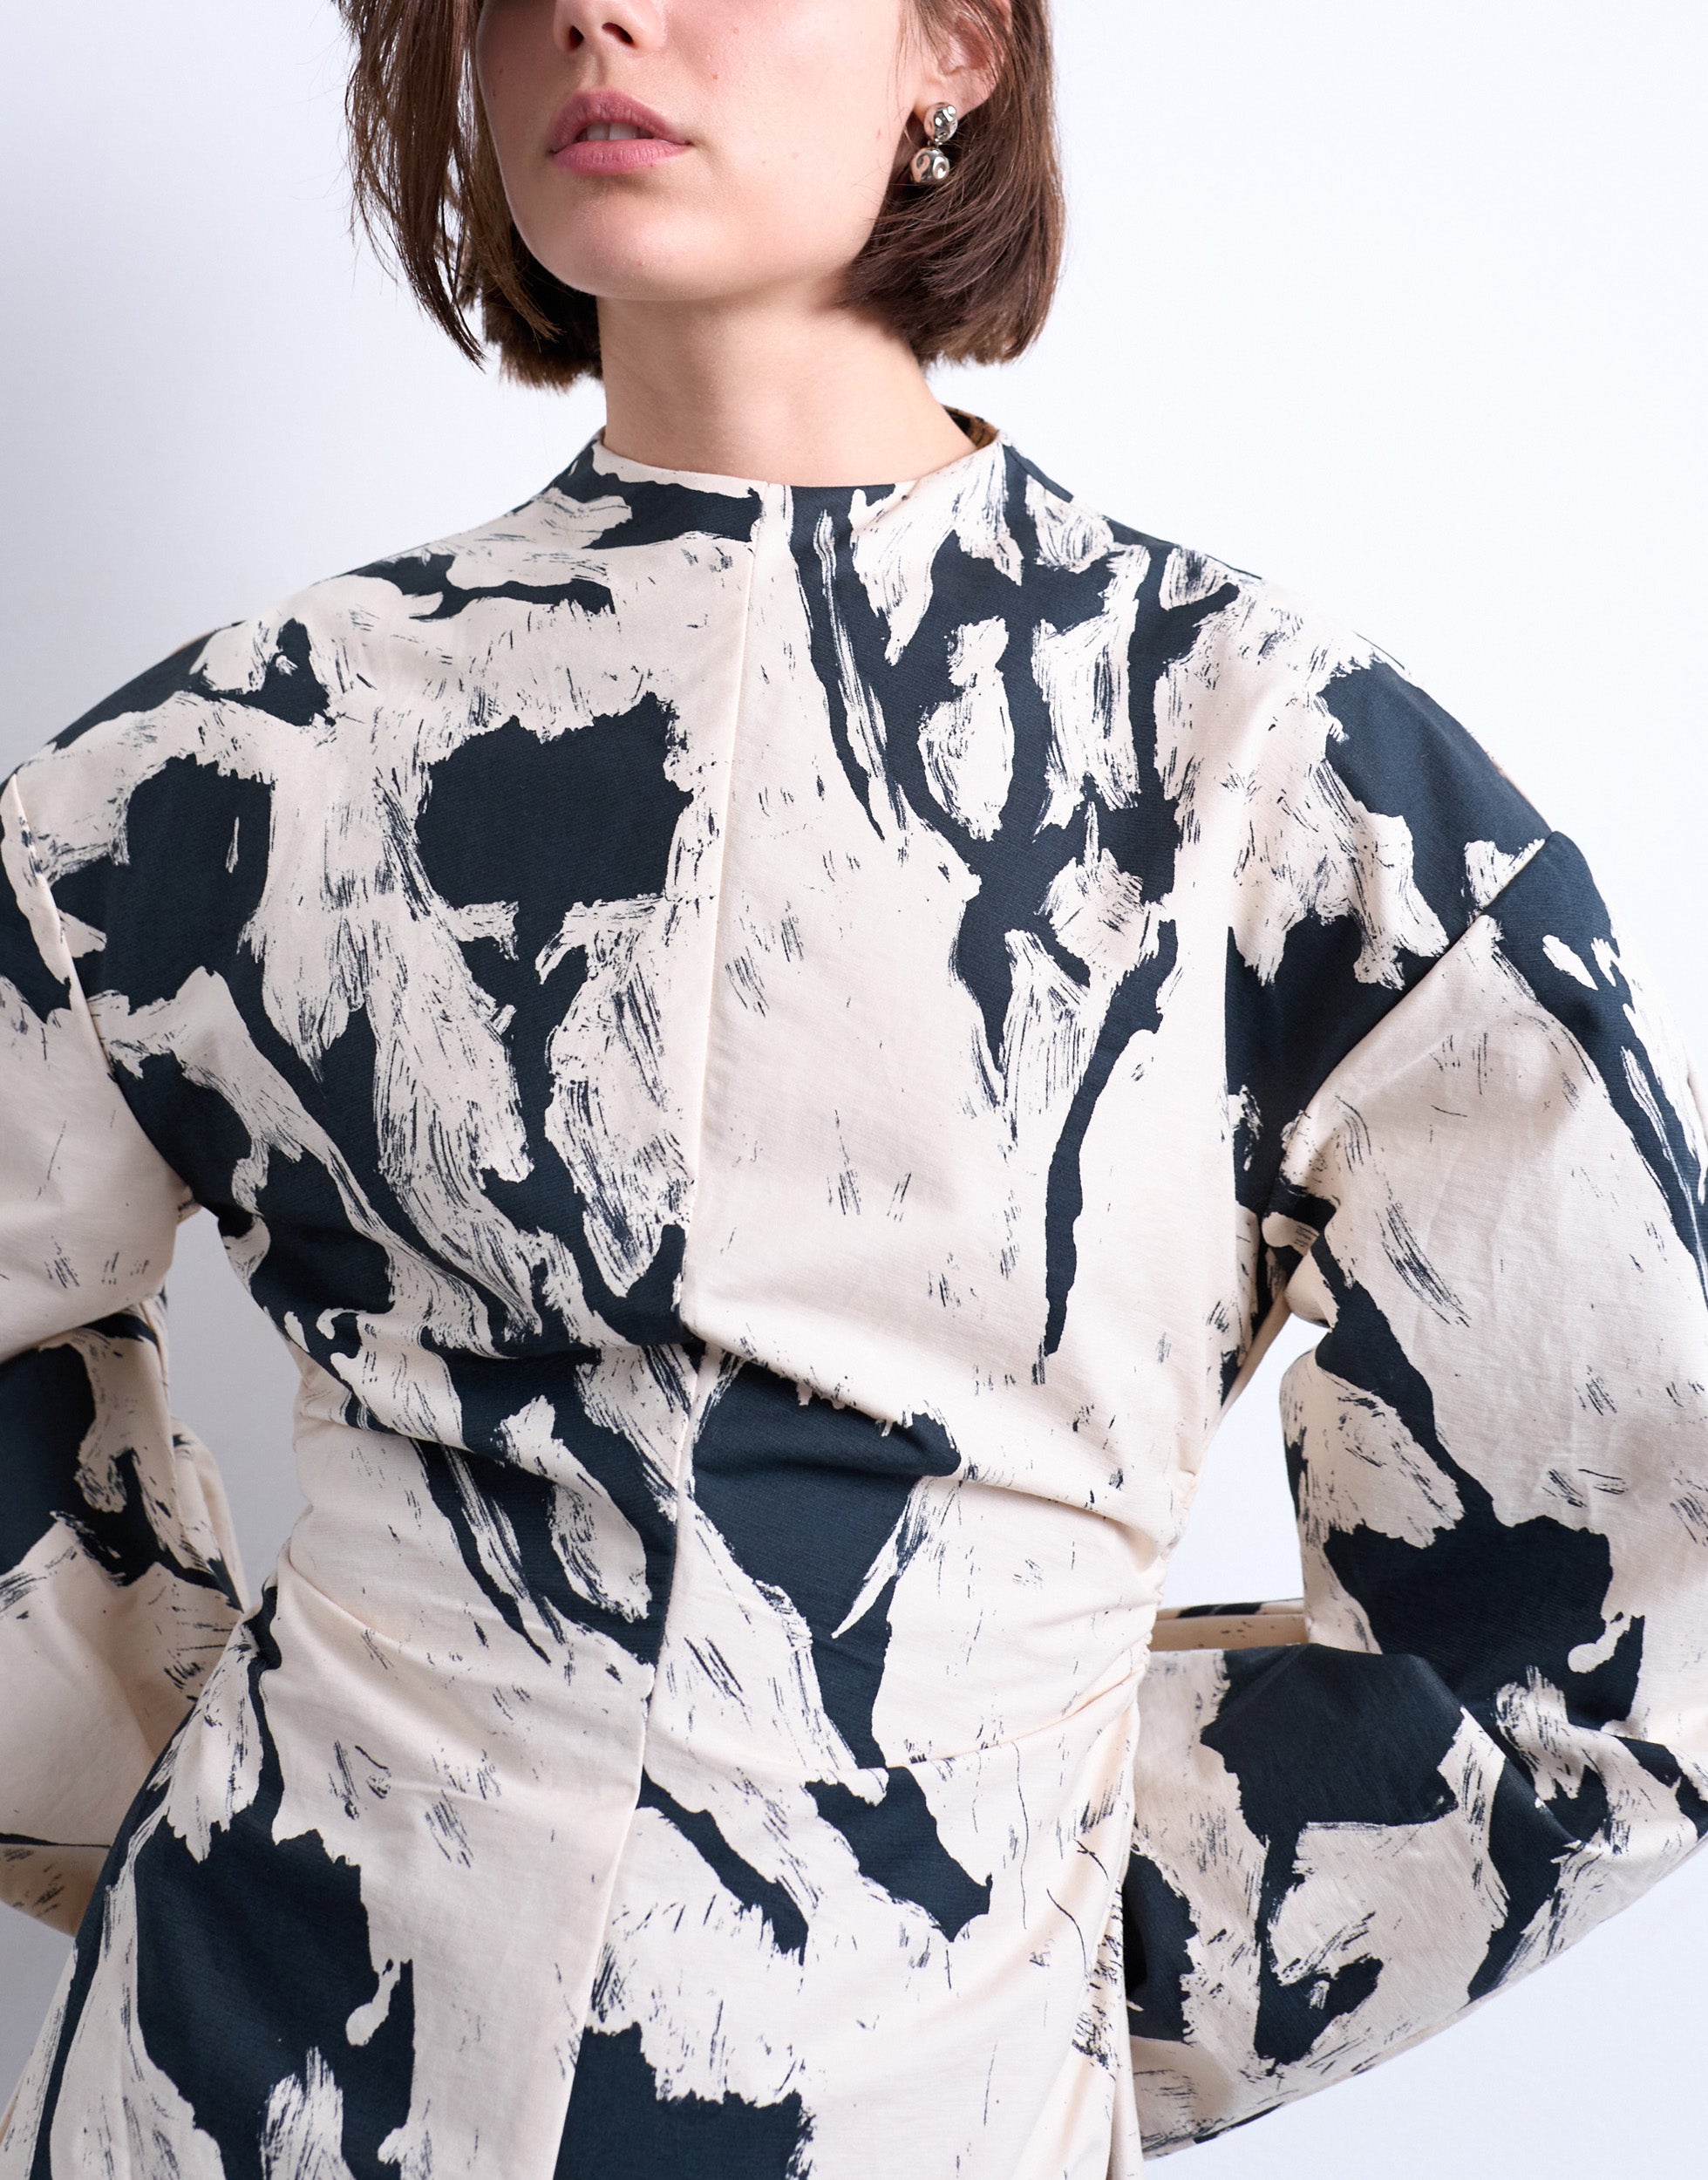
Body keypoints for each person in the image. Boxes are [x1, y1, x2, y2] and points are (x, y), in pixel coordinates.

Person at [3, 0, 1705, 2173]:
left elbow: (1628, 1579)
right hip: (234, 2083)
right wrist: (212, 1797)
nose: (592, 13)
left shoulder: (1262, 770)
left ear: (954, 46)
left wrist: (1020, 1910)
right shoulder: (251, 753)